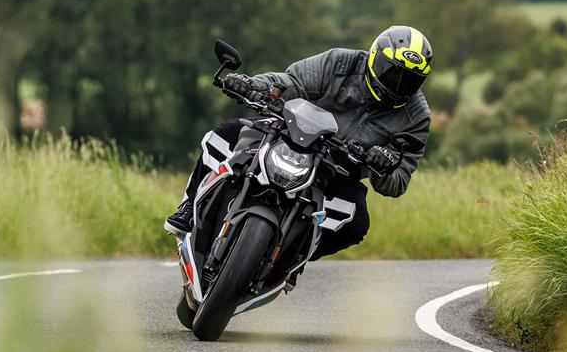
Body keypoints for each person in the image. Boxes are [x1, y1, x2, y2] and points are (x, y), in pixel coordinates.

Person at [165, 25, 432, 265]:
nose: (399, 84)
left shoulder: (417, 117)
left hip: (339, 169)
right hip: (291, 135)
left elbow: (399, 180)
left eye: (410, 79)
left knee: (356, 223)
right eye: (394, 73)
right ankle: (190, 207)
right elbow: (291, 82)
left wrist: (381, 166)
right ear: (376, 59)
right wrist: (251, 84)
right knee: (225, 134)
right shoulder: (341, 62)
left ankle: (292, 260)